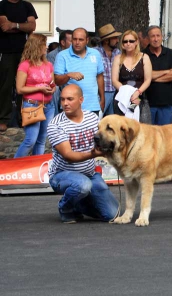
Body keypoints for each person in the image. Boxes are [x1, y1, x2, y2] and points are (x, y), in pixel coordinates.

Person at [47, 84, 118, 223]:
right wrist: (93, 154)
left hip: (89, 174)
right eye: (62, 100)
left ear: (81, 100)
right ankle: (65, 208)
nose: (65, 103)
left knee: (112, 214)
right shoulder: (56, 125)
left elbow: (103, 140)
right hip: (61, 175)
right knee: (83, 185)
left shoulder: (92, 118)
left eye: (69, 99)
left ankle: (78, 203)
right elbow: (68, 155)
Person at [0, 0, 38, 132]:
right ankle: (4, 119)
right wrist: (23, 26)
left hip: (25, 52)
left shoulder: (27, 6)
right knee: (5, 86)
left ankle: (25, 117)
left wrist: (14, 25)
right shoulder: (1, 6)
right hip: (6, 52)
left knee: (26, 85)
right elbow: (4, 26)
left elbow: (32, 26)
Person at [14, 34, 56, 157]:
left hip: (49, 105)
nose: (47, 47)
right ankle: (14, 166)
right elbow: (19, 89)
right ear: (37, 46)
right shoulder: (25, 65)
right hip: (32, 105)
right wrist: (39, 88)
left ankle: (36, 167)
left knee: (41, 140)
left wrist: (51, 90)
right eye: (44, 44)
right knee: (30, 140)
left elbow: (52, 84)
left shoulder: (48, 65)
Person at [54, 28, 105, 115]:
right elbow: (57, 81)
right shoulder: (62, 56)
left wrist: (103, 98)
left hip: (92, 106)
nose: (77, 42)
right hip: (70, 107)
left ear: (87, 40)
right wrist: (68, 75)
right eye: (74, 39)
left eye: (81, 39)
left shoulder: (95, 54)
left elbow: (99, 76)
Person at [111, 30, 152, 122]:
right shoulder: (118, 58)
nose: (128, 44)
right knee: (122, 129)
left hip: (140, 97)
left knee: (143, 128)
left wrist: (137, 93)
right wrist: (127, 93)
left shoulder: (144, 57)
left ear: (136, 42)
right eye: (125, 41)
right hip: (122, 98)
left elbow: (148, 79)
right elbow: (114, 80)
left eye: (131, 41)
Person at [144, 25, 172, 125]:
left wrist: (151, 78)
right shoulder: (143, 54)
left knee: (165, 136)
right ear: (148, 38)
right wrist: (166, 71)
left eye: (158, 36)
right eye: (153, 36)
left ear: (162, 36)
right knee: (149, 136)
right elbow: (144, 75)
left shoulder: (170, 53)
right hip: (148, 104)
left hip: (167, 103)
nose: (156, 39)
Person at [96, 24, 121, 116]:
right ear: (106, 41)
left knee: (113, 123)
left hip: (116, 92)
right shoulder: (95, 53)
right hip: (100, 93)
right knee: (97, 120)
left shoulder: (118, 53)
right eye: (115, 38)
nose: (118, 40)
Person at [47, 29, 73, 116]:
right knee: (55, 89)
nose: (75, 43)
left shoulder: (76, 54)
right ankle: (56, 116)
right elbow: (53, 77)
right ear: (62, 42)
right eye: (71, 40)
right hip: (59, 84)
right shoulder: (52, 55)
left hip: (71, 83)